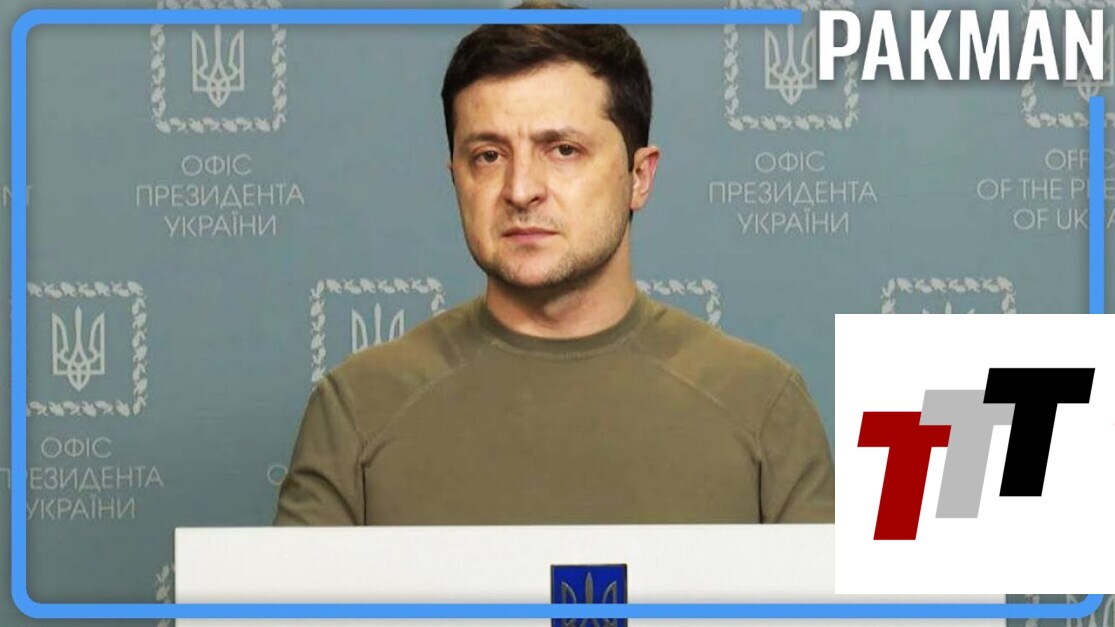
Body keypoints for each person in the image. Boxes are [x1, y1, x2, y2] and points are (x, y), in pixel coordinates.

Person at [274, 1, 834, 526]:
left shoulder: (763, 406)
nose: (520, 189)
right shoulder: (357, 410)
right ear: (456, 179)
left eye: (563, 150)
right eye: (488, 156)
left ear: (639, 177)